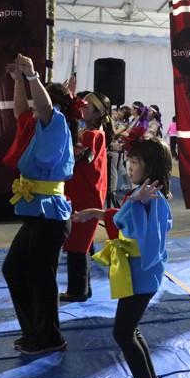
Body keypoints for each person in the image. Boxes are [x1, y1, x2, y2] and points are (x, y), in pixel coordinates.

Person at [72, 137, 172, 378]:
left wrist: (132, 203)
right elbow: (122, 216)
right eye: (129, 161)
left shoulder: (150, 198)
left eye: (135, 162)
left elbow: (123, 222)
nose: (129, 166)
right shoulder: (143, 196)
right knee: (130, 330)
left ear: (150, 166)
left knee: (123, 332)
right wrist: (95, 213)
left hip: (141, 276)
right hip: (139, 275)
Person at [1, 54, 75, 356]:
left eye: (39, 99)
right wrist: (19, 81)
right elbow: (21, 111)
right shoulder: (35, 128)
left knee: (40, 277)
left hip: (51, 214)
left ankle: (49, 337)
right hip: (38, 213)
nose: (34, 106)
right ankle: (34, 331)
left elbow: (43, 107)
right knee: (14, 269)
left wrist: (32, 76)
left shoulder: (56, 122)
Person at [60, 92, 113, 302]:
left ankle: (77, 290)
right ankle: (83, 288)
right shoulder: (94, 133)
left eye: (87, 106)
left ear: (98, 113)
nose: (82, 107)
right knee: (81, 243)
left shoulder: (92, 135)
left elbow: (78, 155)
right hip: (87, 192)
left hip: (85, 195)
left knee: (77, 243)